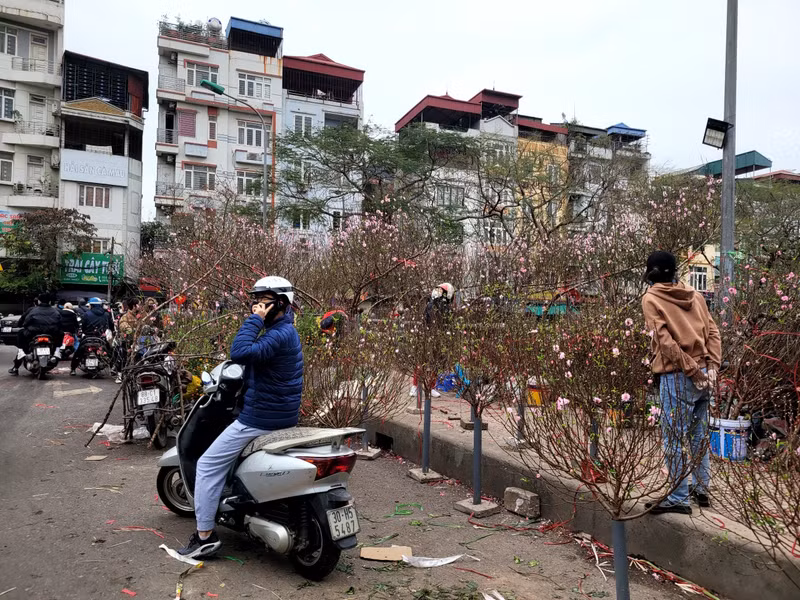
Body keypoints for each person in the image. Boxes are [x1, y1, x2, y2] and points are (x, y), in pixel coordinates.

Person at [179, 276, 304, 558]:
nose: (256, 305)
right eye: (255, 300)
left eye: (264, 301)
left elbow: (239, 352)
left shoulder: (277, 333)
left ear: (281, 303)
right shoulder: (286, 331)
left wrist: (254, 320)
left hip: (261, 417)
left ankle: (205, 537)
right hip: (281, 413)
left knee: (208, 464)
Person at [642, 251, 721, 515]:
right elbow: (713, 331)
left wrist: (690, 370)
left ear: (651, 273)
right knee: (698, 434)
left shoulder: (652, 298)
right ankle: (702, 489)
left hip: (677, 375)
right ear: (675, 271)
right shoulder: (695, 295)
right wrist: (711, 367)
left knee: (674, 437)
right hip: (703, 373)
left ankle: (677, 497)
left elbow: (664, 342)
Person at [409, 283, 455, 398]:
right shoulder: (432, 305)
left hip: (439, 337)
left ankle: (431, 386)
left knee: (435, 363)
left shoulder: (445, 307)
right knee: (422, 362)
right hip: (428, 336)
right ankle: (415, 386)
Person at [9, 294, 63, 375]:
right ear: (50, 302)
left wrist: (23, 325)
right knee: (61, 333)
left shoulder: (32, 310)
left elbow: (25, 322)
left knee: (20, 333)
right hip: (52, 333)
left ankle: (19, 357)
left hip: (33, 333)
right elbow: (60, 323)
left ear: (38, 301)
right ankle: (57, 352)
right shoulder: (56, 311)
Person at [70, 298, 114, 376]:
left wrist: (83, 332)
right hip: (101, 338)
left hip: (87, 337)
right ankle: (113, 369)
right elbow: (111, 326)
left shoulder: (87, 314)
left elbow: (83, 326)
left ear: (92, 305)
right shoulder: (106, 314)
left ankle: (73, 369)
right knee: (110, 352)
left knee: (78, 353)